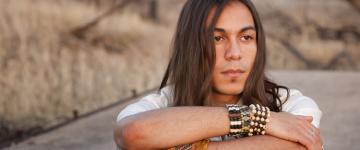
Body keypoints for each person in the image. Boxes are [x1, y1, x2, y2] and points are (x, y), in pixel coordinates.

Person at [114, 0, 323, 149]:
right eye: (217, 38)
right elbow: (132, 133)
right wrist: (258, 119)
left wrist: (185, 146)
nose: (234, 54)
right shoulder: (163, 103)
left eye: (246, 37)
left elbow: (298, 146)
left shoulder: (288, 104)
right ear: (191, 46)